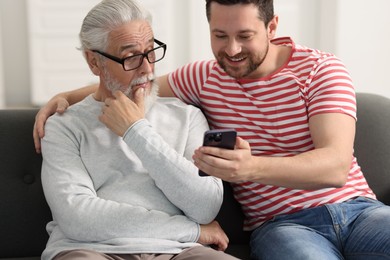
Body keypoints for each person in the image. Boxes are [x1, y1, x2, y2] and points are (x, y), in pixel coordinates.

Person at [35, 0, 390, 259]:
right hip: (282, 224)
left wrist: (249, 169)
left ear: (272, 28)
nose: (231, 50)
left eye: (245, 36)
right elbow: (140, 79)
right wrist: (64, 97)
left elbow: (334, 166)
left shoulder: (320, 70)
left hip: (358, 210)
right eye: (220, 35)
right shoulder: (205, 78)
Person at [39, 0, 240, 259]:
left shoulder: (188, 117)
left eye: (150, 51)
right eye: (131, 56)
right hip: (90, 249)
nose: (147, 68)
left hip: (179, 251)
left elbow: (205, 207)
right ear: (94, 62)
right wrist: (191, 230)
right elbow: (78, 218)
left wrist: (136, 131)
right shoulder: (63, 126)